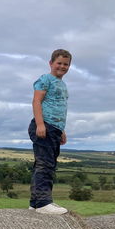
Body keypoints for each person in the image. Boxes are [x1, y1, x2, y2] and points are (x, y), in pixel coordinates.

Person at [28, 49, 72, 215]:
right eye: (59, 63)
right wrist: (40, 124)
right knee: (45, 165)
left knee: (47, 164)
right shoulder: (45, 79)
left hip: (54, 128)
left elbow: (59, 107)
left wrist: (61, 130)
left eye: (66, 64)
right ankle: (43, 203)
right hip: (44, 126)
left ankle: (35, 203)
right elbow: (36, 101)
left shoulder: (62, 84)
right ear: (51, 63)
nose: (62, 66)